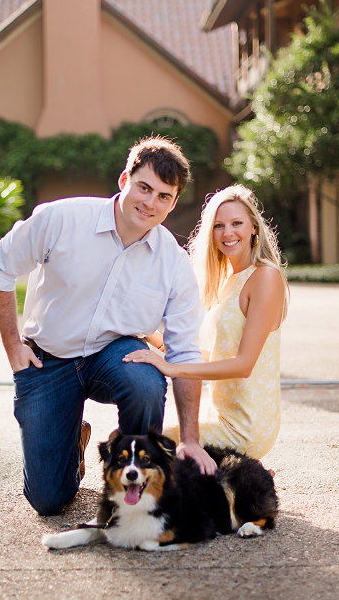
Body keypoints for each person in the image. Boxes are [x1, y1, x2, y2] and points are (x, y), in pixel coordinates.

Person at [0, 136, 215, 517]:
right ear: (124, 179)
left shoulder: (173, 262)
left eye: (163, 196)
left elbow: (185, 350)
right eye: (144, 188)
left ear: (174, 203)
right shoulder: (62, 219)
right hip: (49, 359)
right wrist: (12, 345)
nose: (150, 203)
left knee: (146, 380)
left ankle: (131, 480)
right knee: (47, 501)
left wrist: (189, 438)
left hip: (113, 354)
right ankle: (72, 442)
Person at [123, 184, 288, 459]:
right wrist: (149, 336)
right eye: (218, 226)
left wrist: (170, 369)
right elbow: (210, 355)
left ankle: (239, 472)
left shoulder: (265, 277)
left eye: (237, 223)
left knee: (143, 444)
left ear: (254, 229)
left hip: (245, 426)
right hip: (221, 416)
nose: (228, 233)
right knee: (128, 437)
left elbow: (244, 365)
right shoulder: (226, 282)